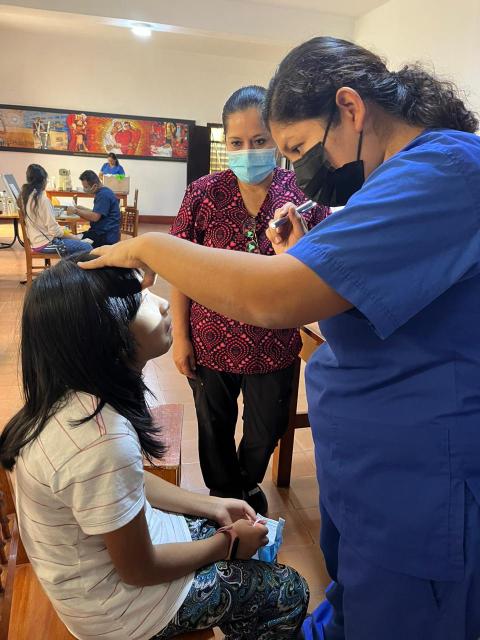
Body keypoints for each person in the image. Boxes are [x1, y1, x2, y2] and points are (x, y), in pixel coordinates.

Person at [80, 35, 480, 640]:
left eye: (293, 148)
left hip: (423, 488)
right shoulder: (389, 178)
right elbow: (352, 302)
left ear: (349, 109)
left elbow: (273, 297)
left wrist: (147, 246)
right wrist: (302, 262)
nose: (289, 165)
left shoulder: (445, 173)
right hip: (374, 477)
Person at [0, 255, 309, 640]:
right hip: (120, 610)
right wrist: (227, 544)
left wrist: (213, 505)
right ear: (104, 336)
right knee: (289, 590)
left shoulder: (70, 400)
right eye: (140, 300)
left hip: (105, 575)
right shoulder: (100, 439)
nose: (161, 302)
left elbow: (131, 484)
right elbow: (139, 569)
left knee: (251, 540)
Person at [170, 85, 328, 514]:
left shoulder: (305, 194)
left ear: (275, 140)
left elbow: (321, 266)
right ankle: (226, 499)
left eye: (259, 141)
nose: (248, 151)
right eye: (236, 142)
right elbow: (180, 271)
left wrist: (302, 241)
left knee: (266, 429)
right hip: (211, 340)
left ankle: (244, 482)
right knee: (213, 426)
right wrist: (180, 338)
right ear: (225, 142)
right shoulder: (203, 193)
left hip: (274, 343)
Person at [18, 164, 92, 254]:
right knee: (87, 246)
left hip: (37, 242)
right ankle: (70, 267)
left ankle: (69, 265)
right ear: (44, 181)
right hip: (46, 244)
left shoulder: (25, 197)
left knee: (77, 242)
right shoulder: (42, 200)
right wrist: (75, 237)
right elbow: (54, 231)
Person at [68, 170, 120, 247]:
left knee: (72, 242)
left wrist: (76, 211)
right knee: (74, 238)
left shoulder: (103, 195)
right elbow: (98, 212)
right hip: (103, 233)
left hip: (105, 236)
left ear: (95, 186)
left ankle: (83, 258)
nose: (84, 189)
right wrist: (82, 209)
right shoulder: (104, 192)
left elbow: (95, 217)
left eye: (86, 187)